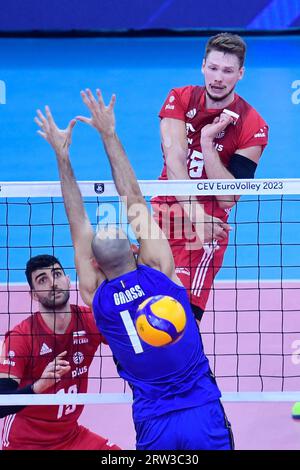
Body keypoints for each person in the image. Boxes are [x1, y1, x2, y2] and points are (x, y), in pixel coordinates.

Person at [34, 89, 234, 450]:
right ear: (134, 248)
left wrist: (62, 155)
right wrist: (109, 133)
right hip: (202, 411)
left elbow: (77, 222)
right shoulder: (159, 270)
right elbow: (133, 199)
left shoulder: (97, 296)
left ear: (94, 264)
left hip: (153, 421)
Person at [151, 33, 269, 322]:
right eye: (213, 68)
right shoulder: (179, 98)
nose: (218, 77)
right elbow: (175, 161)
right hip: (160, 218)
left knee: (181, 321)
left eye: (228, 71)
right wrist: (194, 213)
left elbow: (228, 198)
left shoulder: (252, 124)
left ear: (240, 74)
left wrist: (206, 143)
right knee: (144, 313)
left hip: (203, 235)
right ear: (203, 66)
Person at [0, 254, 120, 450]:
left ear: (67, 279)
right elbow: (1, 401)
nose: (53, 283)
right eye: (42, 279)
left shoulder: (90, 320)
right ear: (33, 294)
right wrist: (39, 386)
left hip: (70, 436)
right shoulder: (21, 337)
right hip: (25, 442)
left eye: (56, 274)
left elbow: (128, 348)